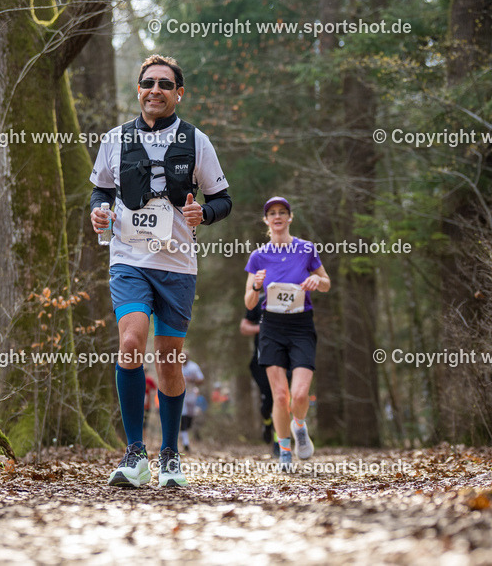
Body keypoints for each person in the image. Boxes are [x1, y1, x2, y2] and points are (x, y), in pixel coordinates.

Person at [90, 54, 232, 488]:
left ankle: (170, 454)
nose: (155, 90)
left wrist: (202, 215)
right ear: (138, 89)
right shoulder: (115, 139)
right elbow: (101, 189)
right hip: (129, 259)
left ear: (178, 93)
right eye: (148, 82)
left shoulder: (197, 142)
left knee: (169, 360)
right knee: (131, 341)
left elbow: (222, 200)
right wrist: (98, 210)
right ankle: (135, 453)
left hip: (176, 265)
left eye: (165, 84)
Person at [244, 196, 331, 472]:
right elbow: (248, 302)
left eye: (283, 212)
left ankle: (300, 427)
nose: (278, 216)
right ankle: (284, 451)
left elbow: (327, 283)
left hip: (301, 325)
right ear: (266, 220)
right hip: (271, 326)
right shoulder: (258, 256)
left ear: (290, 218)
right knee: (280, 396)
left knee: (301, 394)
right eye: (272, 213)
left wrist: (317, 279)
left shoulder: (306, 249)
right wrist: (256, 287)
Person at [239, 303, 280, 456]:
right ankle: (267, 423)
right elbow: (244, 327)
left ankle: (278, 442)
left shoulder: (292, 293)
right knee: (268, 402)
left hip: (284, 360)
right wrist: (263, 328)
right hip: (261, 362)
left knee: (281, 399)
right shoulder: (259, 301)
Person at [179, 355, 204, 452]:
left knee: (189, 418)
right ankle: (186, 443)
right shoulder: (177, 366)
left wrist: (192, 380)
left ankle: (185, 432)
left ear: (188, 358)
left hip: (191, 394)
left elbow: (201, 380)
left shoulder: (193, 367)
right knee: (183, 417)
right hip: (181, 394)